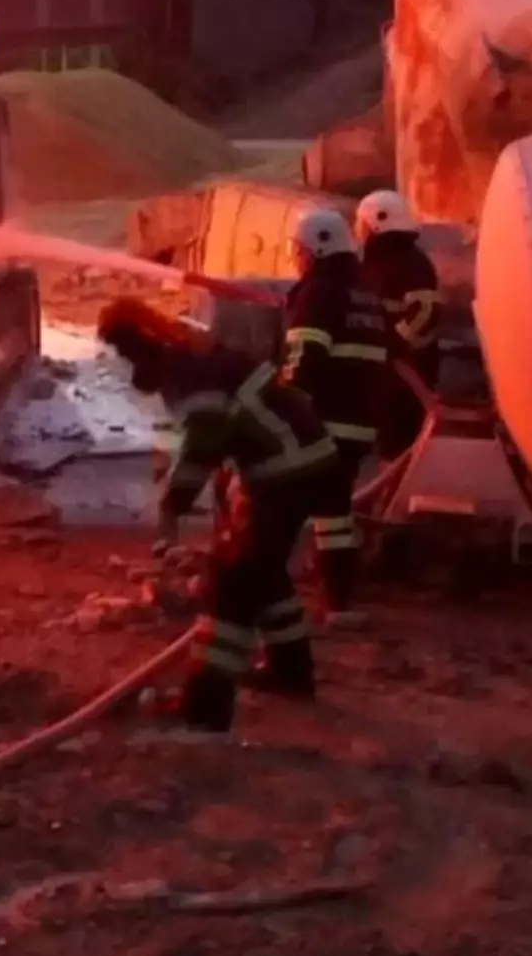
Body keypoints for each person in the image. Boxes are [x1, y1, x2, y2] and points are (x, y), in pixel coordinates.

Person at [97, 297, 341, 733]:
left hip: (286, 472)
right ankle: (291, 673)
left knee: (231, 582)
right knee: (263, 573)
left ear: (142, 347)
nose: (127, 368)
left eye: (125, 354)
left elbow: (204, 441)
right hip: (299, 464)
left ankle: (204, 708)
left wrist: (173, 505)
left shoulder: (188, 370)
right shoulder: (191, 355)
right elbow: (223, 433)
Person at [280, 207, 389, 619]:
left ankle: (258, 592)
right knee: (334, 515)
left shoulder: (319, 291)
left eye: (300, 251)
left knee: (275, 504)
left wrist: (279, 409)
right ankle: (339, 603)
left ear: (319, 247)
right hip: (358, 427)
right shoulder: (363, 290)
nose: (298, 259)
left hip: (322, 423)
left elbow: (303, 360)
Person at [354, 190, 443, 460]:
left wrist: (392, 343)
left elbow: (425, 312)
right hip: (385, 375)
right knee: (386, 448)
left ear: (374, 223)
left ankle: (391, 497)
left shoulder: (412, 265)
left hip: (406, 378)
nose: (357, 229)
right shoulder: (375, 263)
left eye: (361, 222)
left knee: (398, 450)